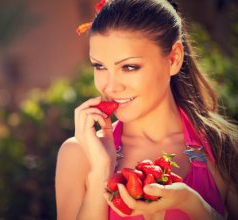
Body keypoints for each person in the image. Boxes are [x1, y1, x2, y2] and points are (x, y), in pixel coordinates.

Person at [55, 0, 238, 219]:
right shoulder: (78, 154)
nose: (110, 86)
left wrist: (191, 203)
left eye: (129, 67)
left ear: (173, 59)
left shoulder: (224, 147)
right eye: (99, 66)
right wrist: (101, 171)